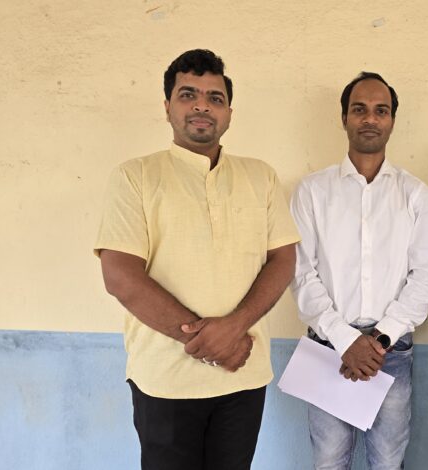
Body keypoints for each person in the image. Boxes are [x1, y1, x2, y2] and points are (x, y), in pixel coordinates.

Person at [94, 49, 300, 470]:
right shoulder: (135, 177)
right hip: (165, 380)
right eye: (188, 94)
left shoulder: (260, 176)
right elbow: (120, 276)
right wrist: (213, 344)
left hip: (243, 375)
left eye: (215, 98)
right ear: (167, 107)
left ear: (229, 114)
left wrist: (234, 329)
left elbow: (282, 259)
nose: (202, 105)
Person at [290, 71, 428, 469]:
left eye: (380, 110)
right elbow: (301, 274)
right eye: (359, 109)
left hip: (390, 352)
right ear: (344, 118)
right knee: (328, 462)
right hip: (328, 348)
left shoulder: (415, 194)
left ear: (392, 120)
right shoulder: (312, 191)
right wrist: (345, 341)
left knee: (388, 463)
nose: (370, 119)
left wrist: (377, 340)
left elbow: (425, 277)